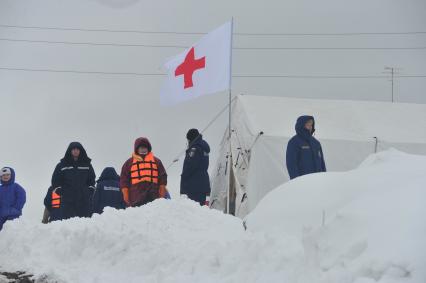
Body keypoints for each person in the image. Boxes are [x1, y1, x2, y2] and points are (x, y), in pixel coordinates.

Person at [51, 142, 96, 219]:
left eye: (77, 149)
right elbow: (55, 180)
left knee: (84, 224)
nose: (75, 151)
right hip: (67, 200)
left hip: (83, 200)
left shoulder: (87, 165)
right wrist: (60, 191)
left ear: (81, 151)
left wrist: (90, 190)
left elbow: (92, 179)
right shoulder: (62, 165)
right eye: (74, 149)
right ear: (70, 151)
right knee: (68, 224)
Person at [120, 137, 168, 207]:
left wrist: (162, 193)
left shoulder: (157, 161)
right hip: (135, 197)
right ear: (137, 149)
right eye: (141, 148)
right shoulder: (129, 163)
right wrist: (125, 194)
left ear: (148, 148)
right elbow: (124, 180)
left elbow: (163, 178)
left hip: (153, 196)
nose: (143, 150)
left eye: (145, 148)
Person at [180, 129, 211, 206]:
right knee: (200, 212)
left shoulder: (195, 149)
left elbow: (189, 166)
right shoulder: (204, 148)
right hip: (203, 183)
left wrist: (183, 178)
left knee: (193, 212)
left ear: (190, 139)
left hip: (194, 186)